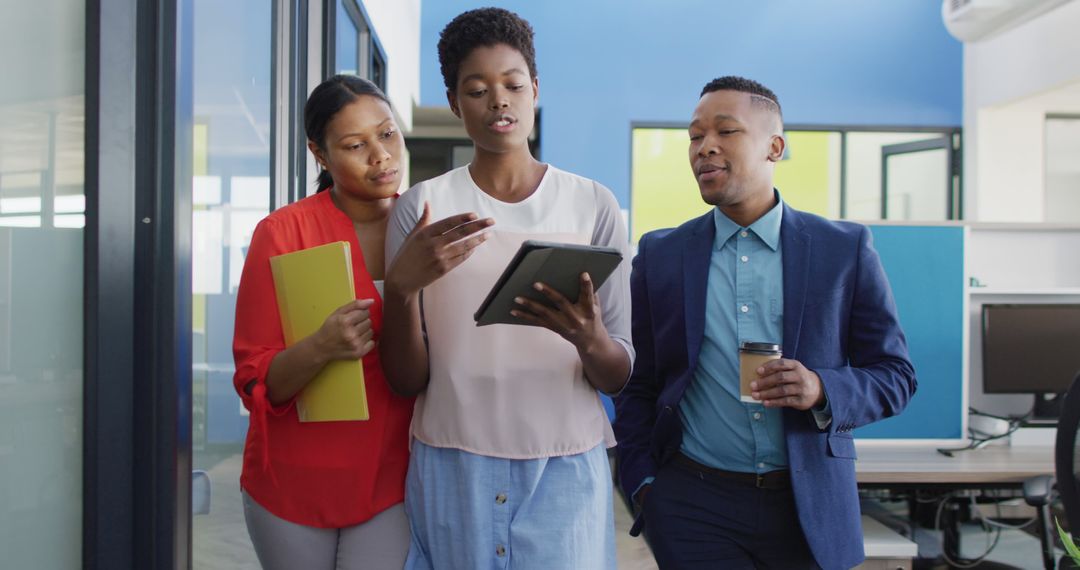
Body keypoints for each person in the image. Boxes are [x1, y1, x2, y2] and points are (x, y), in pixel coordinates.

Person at [614, 76, 917, 570]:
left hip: (807, 504)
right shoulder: (661, 254)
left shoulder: (843, 251)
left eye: (725, 132)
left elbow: (896, 376)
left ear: (774, 147)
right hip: (693, 505)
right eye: (694, 137)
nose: (705, 148)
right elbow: (639, 384)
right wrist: (645, 487)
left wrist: (822, 387)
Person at [379, 8, 633, 569]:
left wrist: (589, 340)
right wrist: (399, 291)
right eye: (477, 89)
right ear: (454, 103)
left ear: (535, 90)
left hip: (564, 465)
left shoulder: (593, 204)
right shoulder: (420, 208)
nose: (499, 100)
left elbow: (618, 373)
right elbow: (405, 380)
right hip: (451, 460)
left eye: (514, 84)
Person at [232, 75, 413, 569]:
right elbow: (253, 380)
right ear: (320, 153)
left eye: (388, 134)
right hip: (293, 479)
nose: (380, 155)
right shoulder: (283, 233)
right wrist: (321, 347)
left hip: (392, 477)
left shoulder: (424, 226)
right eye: (356, 145)